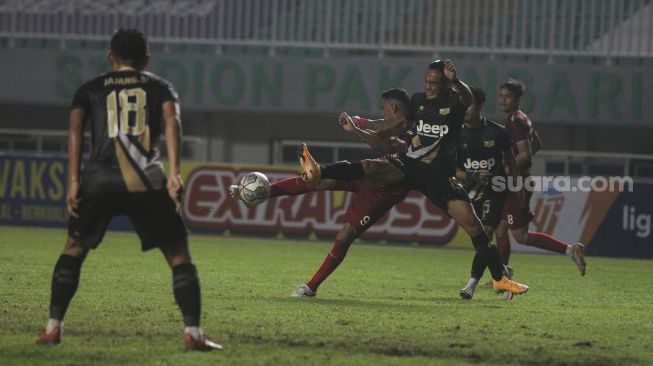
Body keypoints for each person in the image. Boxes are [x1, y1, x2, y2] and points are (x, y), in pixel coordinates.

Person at [35, 29, 221, 351]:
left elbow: (75, 130)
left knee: (74, 248)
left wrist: (75, 181)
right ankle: (193, 333)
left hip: (98, 179)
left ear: (111, 57)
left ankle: (52, 328)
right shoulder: (160, 87)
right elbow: (172, 124)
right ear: (146, 60)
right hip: (146, 180)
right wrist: (175, 173)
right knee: (177, 254)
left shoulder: (89, 88)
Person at [299, 60, 529, 296]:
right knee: (371, 166)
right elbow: (399, 125)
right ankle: (319, 171)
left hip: (439, 176)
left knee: (474, 226)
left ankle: (499, 278)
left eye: (434, 82)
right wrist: (364, 129)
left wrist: (456, 79)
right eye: (426, 81)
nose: (429, 87)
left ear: (446, 84)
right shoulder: (418, 101)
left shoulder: (454, 102)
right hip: (411, 166)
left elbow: (468, 98)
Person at [229, 88, 412, 298]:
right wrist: (360, 122)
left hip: (386, 190)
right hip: (371, 174)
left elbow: (391, 144)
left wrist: (356, 129)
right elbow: (382, 125)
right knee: (316, 181)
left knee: (346, 234)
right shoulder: (397, 124)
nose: (382, 113)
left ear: (393, 107)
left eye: (383, 108)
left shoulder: (414, 130)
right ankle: (260, 194)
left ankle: (311, 287)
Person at [494, 79, 586, 276]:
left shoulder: (514, 121)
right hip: (517, 180)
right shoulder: (521, 118)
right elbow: (536, 144)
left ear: (518, 99)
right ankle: (501, 275)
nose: (503, 100)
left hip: (517, 183)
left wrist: (505, 170)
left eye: (507, 97)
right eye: (501, 96)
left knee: (521, 236)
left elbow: (525, 154)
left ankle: (571, 250)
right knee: (500, 229)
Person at [455, 85, 521, 299]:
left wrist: (517, 187)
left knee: (486, 232)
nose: (464, 108)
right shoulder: (455, 134)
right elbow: (451, 170)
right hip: (469, 193)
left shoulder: (497, 132)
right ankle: (502, 274)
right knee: (483, 240)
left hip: (495, 190)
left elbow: (511, 160)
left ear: (480, 106)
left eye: (469, 104)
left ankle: (471, 283)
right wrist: (472, 175)